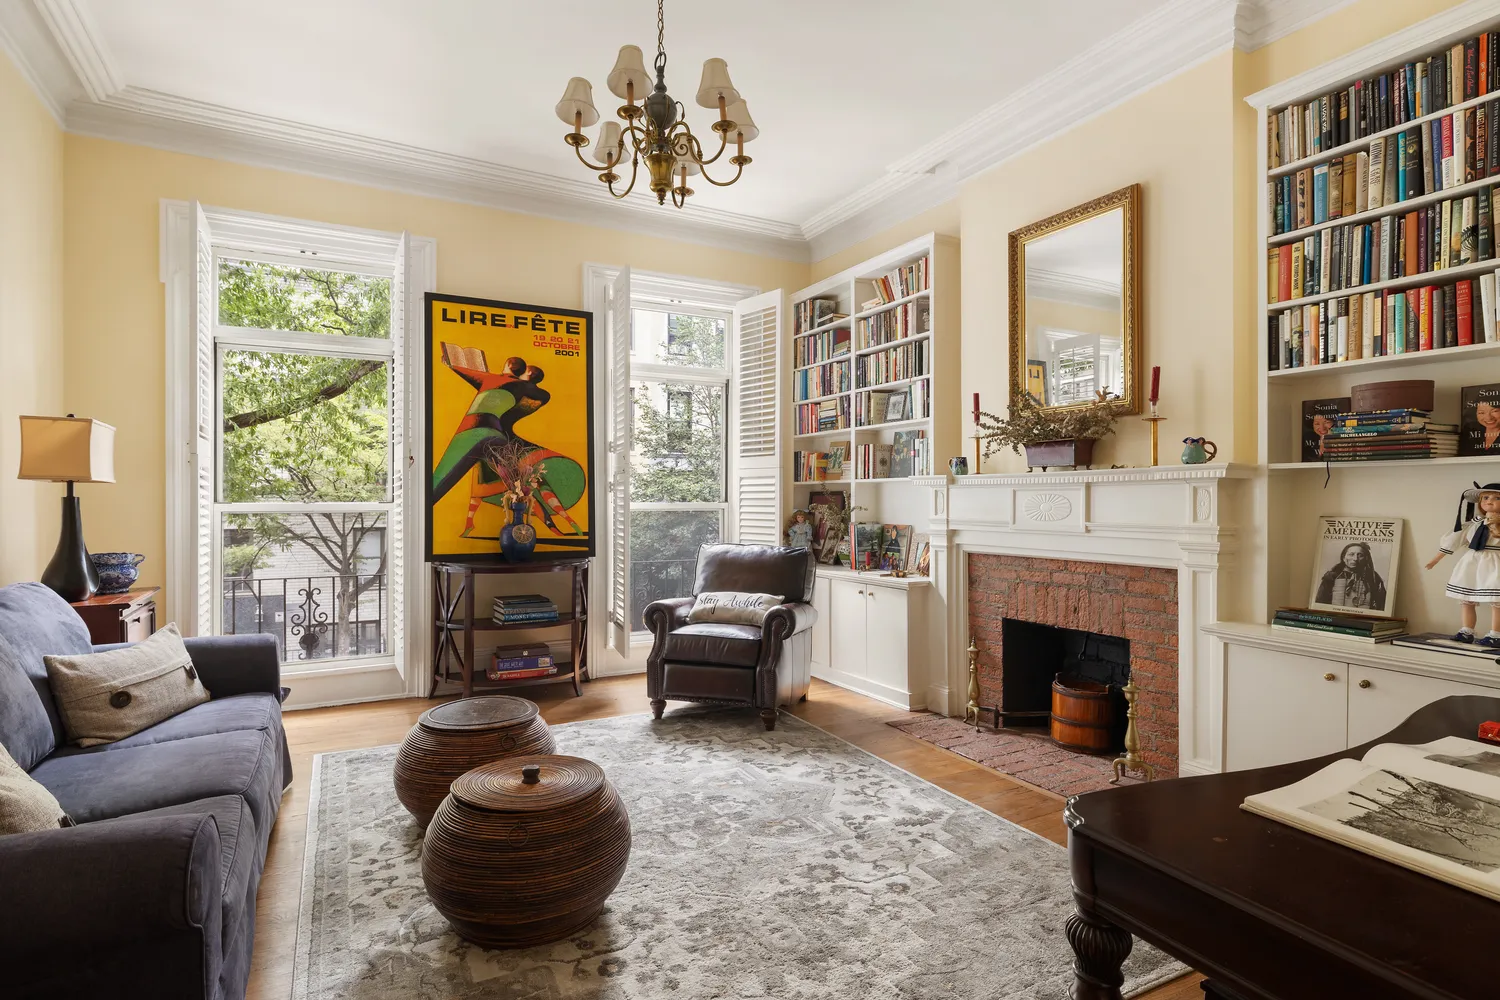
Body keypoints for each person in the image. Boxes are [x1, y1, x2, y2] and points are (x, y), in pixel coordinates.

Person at [1426, 482, 1500, 647]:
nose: (1489, 501)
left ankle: (1496, 634)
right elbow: (1456, 539)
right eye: (1485, 498)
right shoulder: (1475, 523)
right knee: (1466, 599)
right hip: (1472, 563)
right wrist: (1436, 559)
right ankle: (1467, 631)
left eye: (1497, 498)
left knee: (1497, 601)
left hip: (1495, 563)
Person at [1314, 541, 1387, 611]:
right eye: (1351, 554)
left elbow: (1381, 605)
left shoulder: (1374, 578)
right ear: (1343, 557)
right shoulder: (1332, 577)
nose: (1355, 559)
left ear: (1366, 558)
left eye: (1360, 555)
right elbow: (1320, 603)